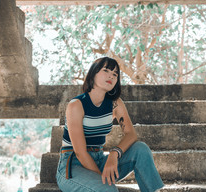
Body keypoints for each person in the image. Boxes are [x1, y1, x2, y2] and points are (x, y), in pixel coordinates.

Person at [56, 57, 164, 192]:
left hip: (100, 160)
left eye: (115, 74)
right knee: (108, 190)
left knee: (140, 149)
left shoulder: (115, 103)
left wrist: (114, 153)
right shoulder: (76, 105)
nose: (111, 76)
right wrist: (102, 181)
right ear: (93, 73)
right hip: (73, 166)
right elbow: (80, 153)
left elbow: (131, 134)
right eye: (106, 70)